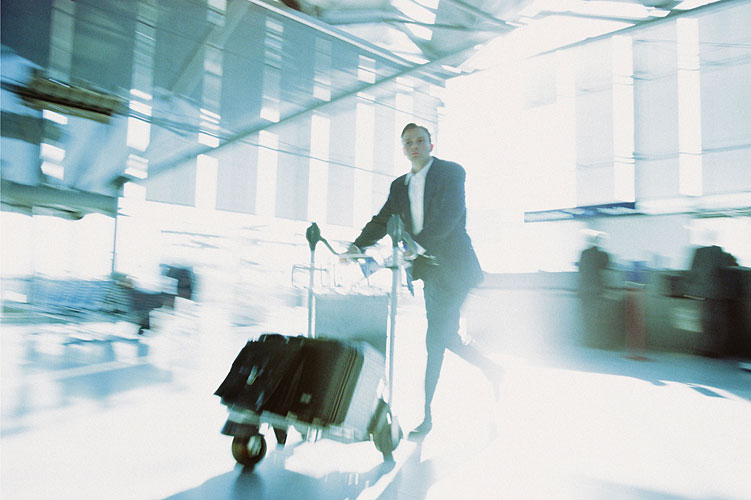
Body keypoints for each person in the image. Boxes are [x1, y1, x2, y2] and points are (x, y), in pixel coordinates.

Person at [344, 123, 503, 440]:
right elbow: (382, 220)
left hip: (456, 269)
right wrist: (358, 246)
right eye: (408, 142)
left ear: (431, 144)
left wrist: (417, 246)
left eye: (420, 140)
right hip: (430, 273)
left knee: (435, 340)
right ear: (403, 149)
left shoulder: (451, 172)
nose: (414, 145)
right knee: (447, 338)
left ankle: (427, 417)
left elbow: (450, 215)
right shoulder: (399, 186)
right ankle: (493, 370)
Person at [685, 233, 738, 357]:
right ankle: (715, 349)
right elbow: (725, 272)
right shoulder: (721, 255)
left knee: (707, 321)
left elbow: (693, 272)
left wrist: (691, 286)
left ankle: (706, 348)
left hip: (707, 292)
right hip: (719, 293)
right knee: (717, 322)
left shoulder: (700, 253)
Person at [577, 231, 611, 347]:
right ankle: (596, 340)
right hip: (596, 289)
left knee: (586, 316)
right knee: (596, 315)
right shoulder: (602, 255)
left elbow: (581, 269)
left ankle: (588, 340)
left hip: (584, 289)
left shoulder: (584, 253)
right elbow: (606, 266)